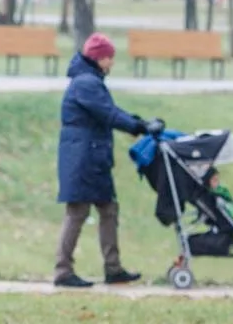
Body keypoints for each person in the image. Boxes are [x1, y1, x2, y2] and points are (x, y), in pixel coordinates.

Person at [54, 32, 156, 288]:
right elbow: (109, 114)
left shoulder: (89, 80)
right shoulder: (86, 83)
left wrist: (139, 123)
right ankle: (63, 271)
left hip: (92, 156)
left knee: (108, 209)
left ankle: (113, 268)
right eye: (109, 57)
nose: (111, 62)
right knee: (77, 212)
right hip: (83, 157)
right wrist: (140, 126)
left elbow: (110, 112)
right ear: (98, 58)